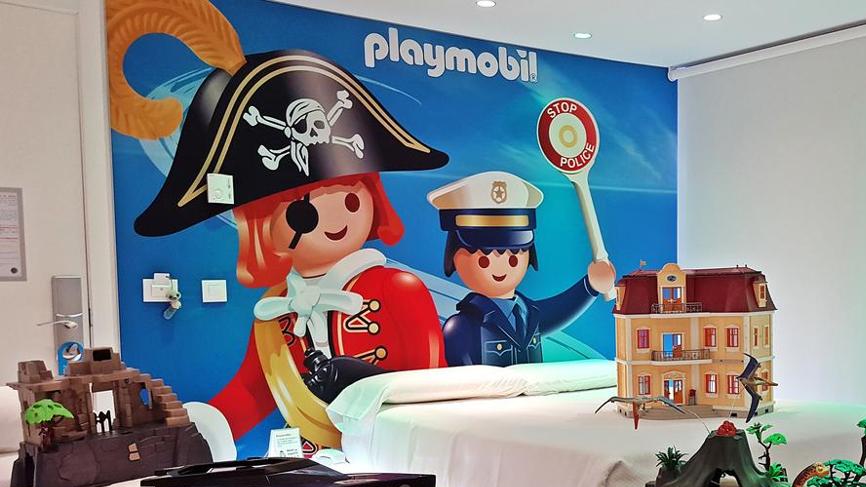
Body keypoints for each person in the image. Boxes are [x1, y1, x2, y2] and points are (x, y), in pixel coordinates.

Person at [108, 0, 450, 451]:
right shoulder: (274, 311)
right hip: (314, 463)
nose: (335, 219)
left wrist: (365, 381)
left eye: (351, 199)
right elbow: (252, 393)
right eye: (304, 212)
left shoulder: (398, 289)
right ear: (260, 225)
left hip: (396, 455)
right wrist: (193, 435)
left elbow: (432, 390)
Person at [429, 171, 616, 367]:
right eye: (484, 260)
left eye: (513, 259)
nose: (500, 267)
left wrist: (591, 285)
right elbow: (460, 380)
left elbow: (560, 308)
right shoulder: (461, 327)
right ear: (455, 256)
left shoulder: (528, 314)